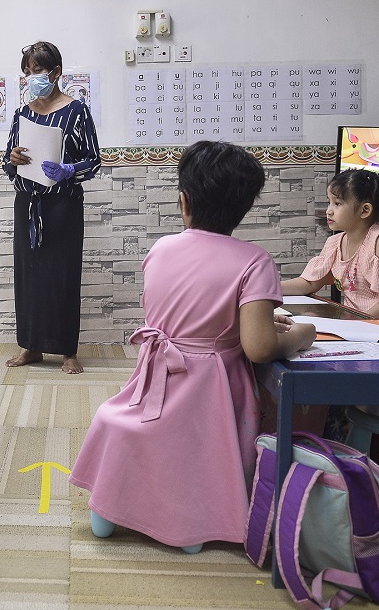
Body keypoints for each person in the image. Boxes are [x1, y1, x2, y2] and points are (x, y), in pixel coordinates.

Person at [69, 141, 316, 551]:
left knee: (134, 420)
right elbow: (258, 348)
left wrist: (239, 321)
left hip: (156, 375)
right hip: (208, 390)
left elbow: (180, 313)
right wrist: (302, 334)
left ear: (184, 202)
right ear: (243, 208)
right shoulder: (255, 261)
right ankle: (194, 522)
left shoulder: (161, 248)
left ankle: (110, 507)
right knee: (202, 439)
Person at [3, 41, 101, 374]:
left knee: (62, 275)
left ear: (56, 72)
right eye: (27, 72)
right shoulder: (23, 113)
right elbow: (7, 160)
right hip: (27, 204)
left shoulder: (76, 111)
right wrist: (12, 160)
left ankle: (67, 351)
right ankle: (31, 346)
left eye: (38, 71)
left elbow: (94, 160)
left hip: (63, 206)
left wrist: (69, 170)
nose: (32, 77)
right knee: (29, 275)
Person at [282, 169, 379, 332]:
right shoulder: (334, 243)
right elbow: (310, 282)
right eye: (329, 202)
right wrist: (268, 289)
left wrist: (356, 322)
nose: (329, 210)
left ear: (365, 210)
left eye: (337, 203)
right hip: (360, 323)